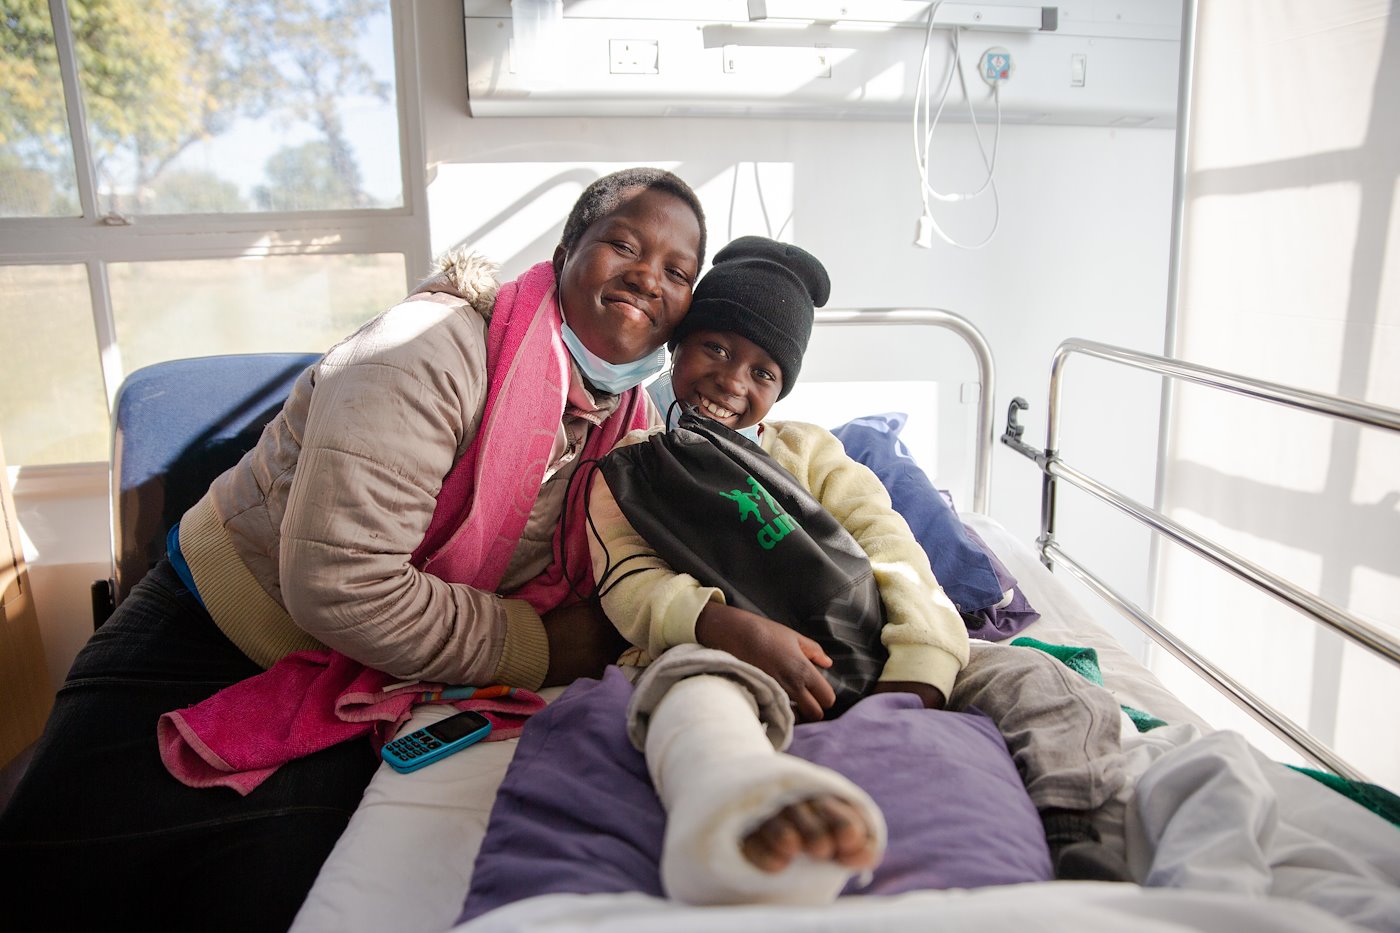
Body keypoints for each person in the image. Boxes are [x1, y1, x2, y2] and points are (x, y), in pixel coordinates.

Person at [0, 167, 707, 930]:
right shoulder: (425, 352)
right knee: (44, 890)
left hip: (369, 678)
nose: (648, 277)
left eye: (677, 271)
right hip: (204, 644)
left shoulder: (622, 416)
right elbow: (344, 584)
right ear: (569, 249)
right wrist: (535, 645)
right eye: (624, 244)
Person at [585, 236, 1129, 905]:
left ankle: (1076, 830)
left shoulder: (811, 450)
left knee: (1036, 679)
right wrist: (727, 628)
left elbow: (893, 549)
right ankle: (740, 805)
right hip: (724, 648)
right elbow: (629, 581)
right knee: (683, 690)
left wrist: (918, 672)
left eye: (763, 372)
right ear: (679, 346)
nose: (732, 380)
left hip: (874, 647)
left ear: (781, 389)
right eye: (717, 348)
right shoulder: (635, 465)